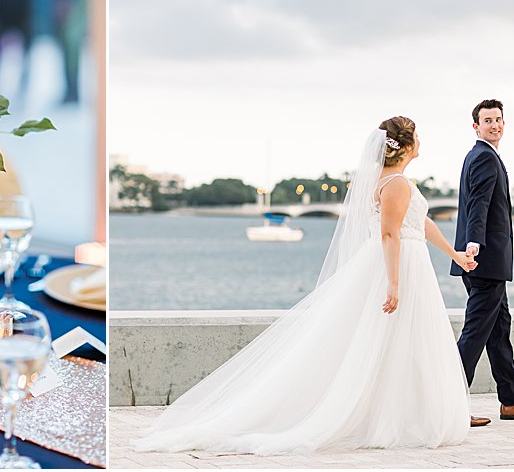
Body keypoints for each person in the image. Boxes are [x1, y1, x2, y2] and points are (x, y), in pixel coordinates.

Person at [130, 117, 476, 454]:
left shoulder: (395, 181)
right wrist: (394, 282)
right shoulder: (396, 184)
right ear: (407, 145)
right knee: (391, 339)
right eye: (418, 136)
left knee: (401, 342)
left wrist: (455, 255)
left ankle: (397, 412)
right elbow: (389, 233)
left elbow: (420, 223)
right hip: (397, 266)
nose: (422, 142)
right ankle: (390, 418)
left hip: (405, 263)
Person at [453, 100, 514, 425]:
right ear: (476, 126)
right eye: (487, 120)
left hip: (486, 262)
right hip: (484, 261)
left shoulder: (482, 155)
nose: (494, 125)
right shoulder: (483, 156)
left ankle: (512, 401)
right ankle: (446, 405)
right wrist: (474, 244)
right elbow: (479, 204)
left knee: (498, 332)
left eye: (498, 119)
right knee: (474, 335)